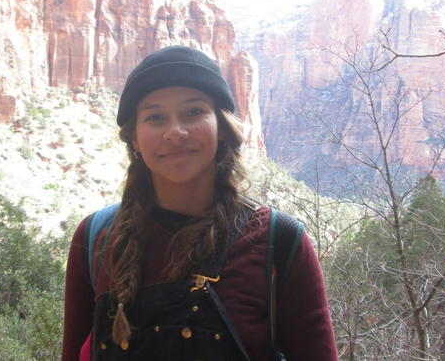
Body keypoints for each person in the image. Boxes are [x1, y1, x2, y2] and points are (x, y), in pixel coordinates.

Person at [62, 45, 338, 361]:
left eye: (193, 112)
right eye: (155, 117)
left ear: (222, 128)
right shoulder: (94, 238)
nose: (175, 132)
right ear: (135, 139)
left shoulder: (281, 243)